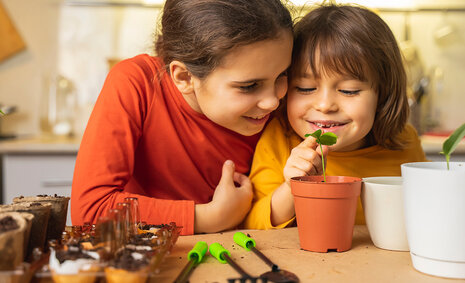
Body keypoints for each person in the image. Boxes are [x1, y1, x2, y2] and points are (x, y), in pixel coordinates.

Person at [71, 0, 293, 235]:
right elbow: (90, 212)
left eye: (283, 74)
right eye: (249, 86)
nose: (273, 101)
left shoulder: (281, 106)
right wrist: (210, 217)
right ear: (185, 77)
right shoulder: (137, 83)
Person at [243, 4, 427, 230]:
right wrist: (292, 186)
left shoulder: (405, 142)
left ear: (383, 94)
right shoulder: (279, 139)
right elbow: (254, 224)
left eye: (349, 90)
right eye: (305, 88)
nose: (324, 105)